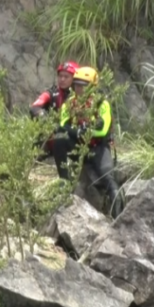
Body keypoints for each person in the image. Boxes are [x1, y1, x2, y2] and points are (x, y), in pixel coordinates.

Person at [54, 66, 124, 219]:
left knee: (109, 179)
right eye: (77, 85)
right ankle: (64, 183)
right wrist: (79, 131)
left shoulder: (101, 104)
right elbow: (62, 125)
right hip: (78, 147)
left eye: (83, 85)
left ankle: (118, 216)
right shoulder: (69, 103)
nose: (79, 89)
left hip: (97, 147)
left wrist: (86, 130)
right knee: (59, 139)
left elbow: (103, 130)